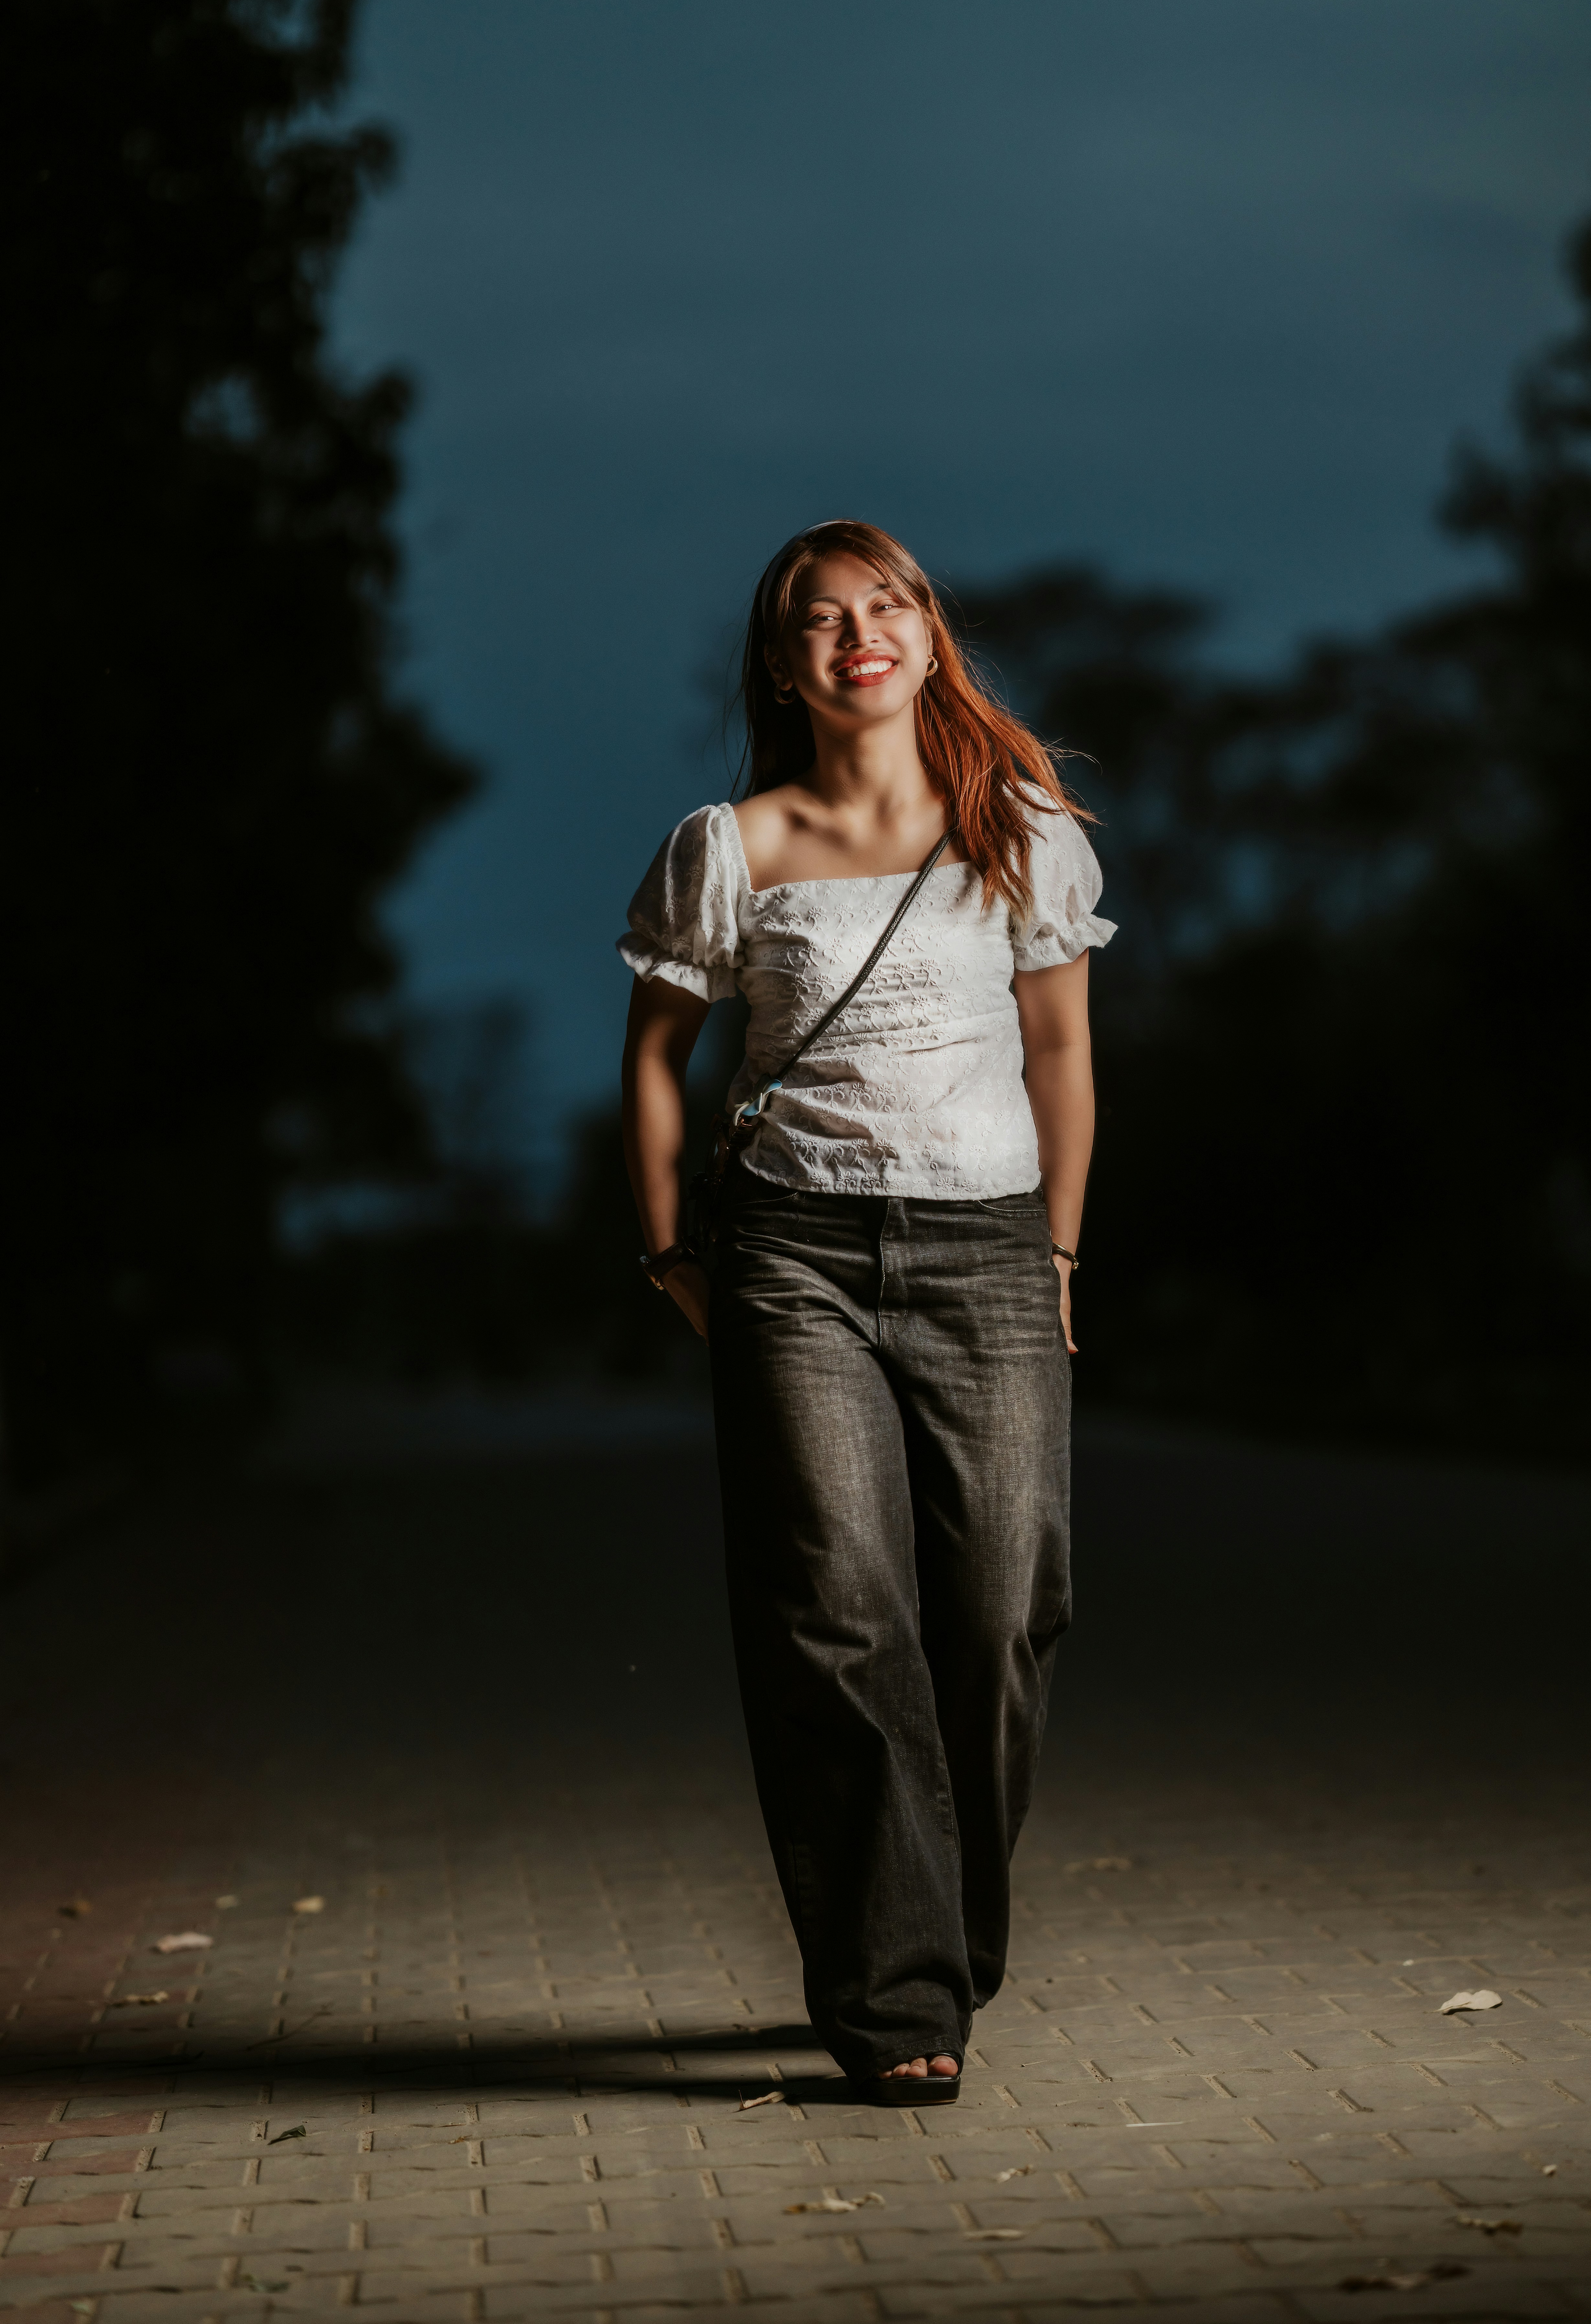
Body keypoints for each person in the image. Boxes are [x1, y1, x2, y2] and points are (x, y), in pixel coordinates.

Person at [617, 519, 1112, 2107]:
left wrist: (1053, 1259)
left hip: (988, 1253)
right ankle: (895, 1986)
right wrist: (672, 1252)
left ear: (926, 632)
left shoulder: (1018, 830)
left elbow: (1059, 1056)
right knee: (838, 1609)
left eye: (884, 605)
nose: (857, 637)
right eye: (819, 620)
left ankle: (944, 1917)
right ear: (783, 664)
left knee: (1006, 1605)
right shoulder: (732, 844)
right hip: (795, 1260)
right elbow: (653, 1055)